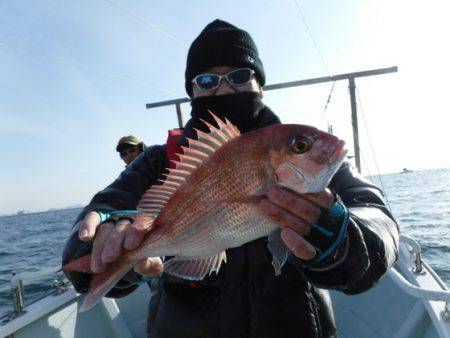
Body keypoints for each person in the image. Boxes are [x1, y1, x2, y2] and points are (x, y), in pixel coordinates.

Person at [63, 20, 399, 338]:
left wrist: (343, 242)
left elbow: (376, 218)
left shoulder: (312, 166)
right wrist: (106, 236)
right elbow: (107, 207)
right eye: (207, 81)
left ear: (260, 86)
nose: (224, 88)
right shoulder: (158, 160)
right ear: (192, 90)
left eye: (239, 75)